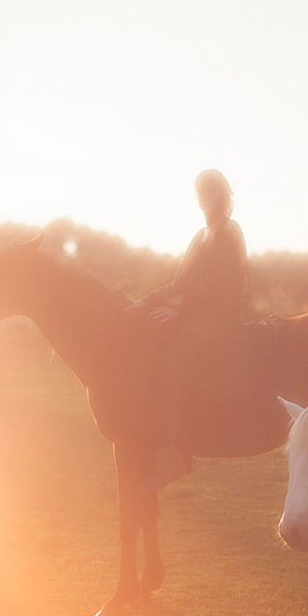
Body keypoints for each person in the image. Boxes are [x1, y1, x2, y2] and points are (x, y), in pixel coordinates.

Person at [127, 170, 251, 486]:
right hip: (199, 313)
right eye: (201, 190)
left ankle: (174, 455)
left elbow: (219, 288)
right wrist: (145, 302)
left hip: (222, 315)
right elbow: (180, 283)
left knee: (170, 363)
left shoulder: (229, 231)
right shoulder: (201, 235)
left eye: (211, 190)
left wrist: (179, 311)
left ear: (223, 195)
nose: (205, 196)